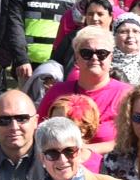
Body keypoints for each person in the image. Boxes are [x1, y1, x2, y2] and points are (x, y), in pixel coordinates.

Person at [37, 27, 134, 159]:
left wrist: (84, 150)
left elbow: (132, 140)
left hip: (109, 172)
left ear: (111, 57)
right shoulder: (57, 92)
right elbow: (38, 132)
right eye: (86, 53)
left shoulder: (127, 94)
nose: (94, 58)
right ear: (77, 57)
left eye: (102, 53)